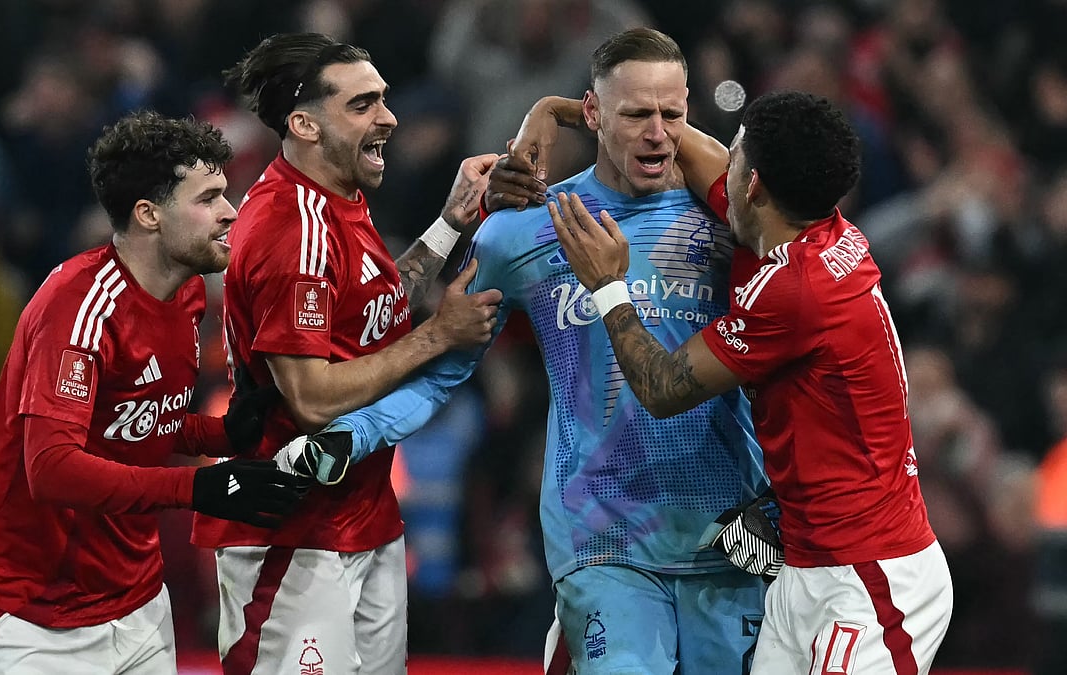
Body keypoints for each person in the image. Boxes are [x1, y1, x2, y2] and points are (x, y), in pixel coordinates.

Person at [285, 28, 769, 674]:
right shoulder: (521, 233)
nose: (658, 134)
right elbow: (445, 368)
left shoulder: (730, 225)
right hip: (603, 541)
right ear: (594, 115)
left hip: (726, 535)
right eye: (635, 115)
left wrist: (548, 108)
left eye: (671, 115)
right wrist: (350, 435)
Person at [542, 89, 953, 673]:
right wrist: (569, 112)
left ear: (754, 183)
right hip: (804, 568)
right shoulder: (799, 230)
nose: (723, 164)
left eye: (735, 155)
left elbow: (661, 389)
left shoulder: (797, 292)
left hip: (872, 579)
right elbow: (690, 149)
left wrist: (609, 287)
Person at [192, 33, 504, 675]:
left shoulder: (338, 201)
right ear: (304, 124)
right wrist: (439, 336)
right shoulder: (288, 227)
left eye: (384, 100)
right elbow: (309, 399)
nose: (388, 118)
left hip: (361, 518)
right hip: (290, 537)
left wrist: (450, 223)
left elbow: (373, 306)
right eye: (363, 105)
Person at [0, 110, 309, 675]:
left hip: (136, 597)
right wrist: (199, 487)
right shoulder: (77, 307)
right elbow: (52, 468)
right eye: (208, 197)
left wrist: (218, 432)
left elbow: (130, 422)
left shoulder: (189, 296)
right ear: (149, 214)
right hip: (32, 611)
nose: (229, 211)